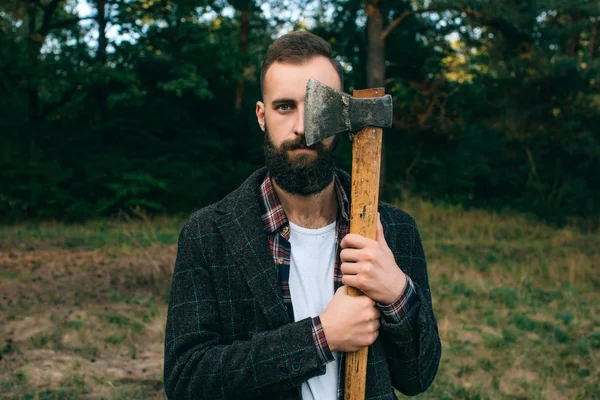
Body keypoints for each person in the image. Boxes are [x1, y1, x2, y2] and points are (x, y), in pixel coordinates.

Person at [163, 30, 441, 400]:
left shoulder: (392, 230)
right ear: (262, 116)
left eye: (317, 108)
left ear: (342, 114)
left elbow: (417, 378)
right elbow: (187, 381)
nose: (302, 128)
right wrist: (320, 338)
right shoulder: (207, 234)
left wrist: (396, 292)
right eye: (285, 107)